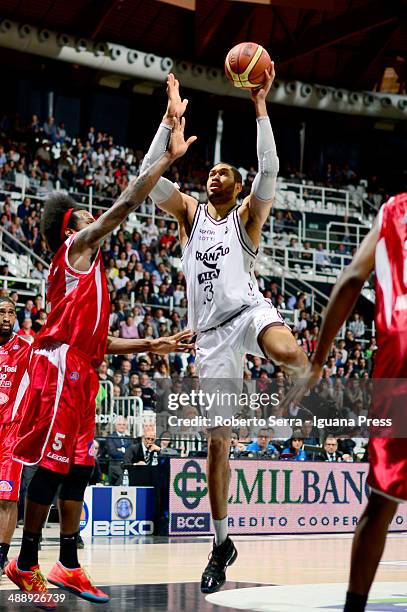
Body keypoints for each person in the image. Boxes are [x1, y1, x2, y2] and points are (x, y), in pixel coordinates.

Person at [5, 116, 196, 606]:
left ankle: (67, 563)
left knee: (81, 467)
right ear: (71, 224)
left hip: (83, 367)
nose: (96, 217)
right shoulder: (76, 248)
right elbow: (129, 200)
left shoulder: (88, 270)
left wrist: (150, 346)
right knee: (51, 466)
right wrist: (169, 156)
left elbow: (98, 341)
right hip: (59, 369)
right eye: (87, 213)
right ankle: (24, 561)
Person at [142, 71, 308, 593]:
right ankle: (221, 543)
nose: (212, 176)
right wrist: (169, 122)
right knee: (218, 445)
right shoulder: (190, 216)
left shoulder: (246, 219)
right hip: (210, 338)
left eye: (222, 173)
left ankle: (304, 394)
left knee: (290, 354)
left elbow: (272, 170)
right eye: (209, 171)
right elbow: (147, 176)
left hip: (248, 313)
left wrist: (260, 105)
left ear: (237, 185)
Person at [292, 193, 407, 612]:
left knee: (381, 502)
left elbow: (349, 280)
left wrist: (319, 360)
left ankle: (353, 609)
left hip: (398, 356)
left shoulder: (395, 209)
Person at [0, 298, 32, 577]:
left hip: (12, 434)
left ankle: (1, 555)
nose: (6, 317)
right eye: (1, 312)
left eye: (11, 312)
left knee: (7, 498)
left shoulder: (27, 348)